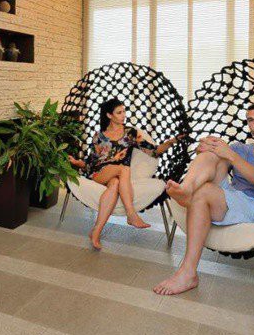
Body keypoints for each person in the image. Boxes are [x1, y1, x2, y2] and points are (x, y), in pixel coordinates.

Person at [153, 103, 254, 295]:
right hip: (233, 195)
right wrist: (205, 149)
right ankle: (187, 188)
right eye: (251, 120)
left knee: (204, 191)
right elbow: (215, 164)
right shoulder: (241, 148)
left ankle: (188, 273)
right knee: (211, 153)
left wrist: (230, 155)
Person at [68, 98, 184, 249]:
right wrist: (78, 163)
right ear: (109, 115)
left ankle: (96, 231)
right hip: (99, 173)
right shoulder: (99, 136)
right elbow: (92, 162)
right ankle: (131, 214)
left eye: (124, 111)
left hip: (116, 177)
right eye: (119, 112)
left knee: (115, 183)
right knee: (123, 168)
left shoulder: (130, 134)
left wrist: (171, 141)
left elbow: (153, 151)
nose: (124, 115)